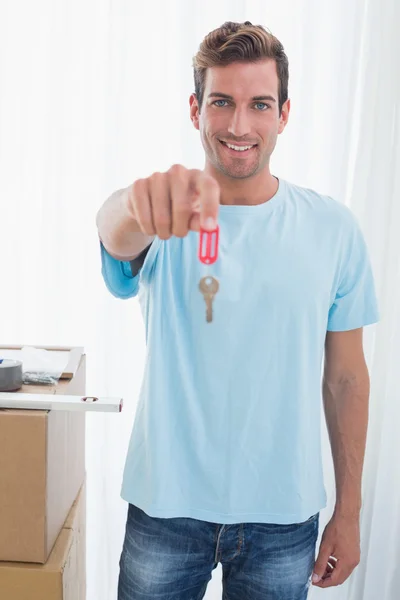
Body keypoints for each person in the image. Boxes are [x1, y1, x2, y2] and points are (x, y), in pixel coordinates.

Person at [96, 20, 380, 600]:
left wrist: (349, 513)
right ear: (196, 109)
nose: (239, 125)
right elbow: (115, 231)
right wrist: (129, 203)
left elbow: (347, 377)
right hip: (165, 509)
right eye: (222, 102)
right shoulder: (165, 212)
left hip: (282, 516)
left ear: (284, 113)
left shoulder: (332, 229)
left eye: (259, 104)